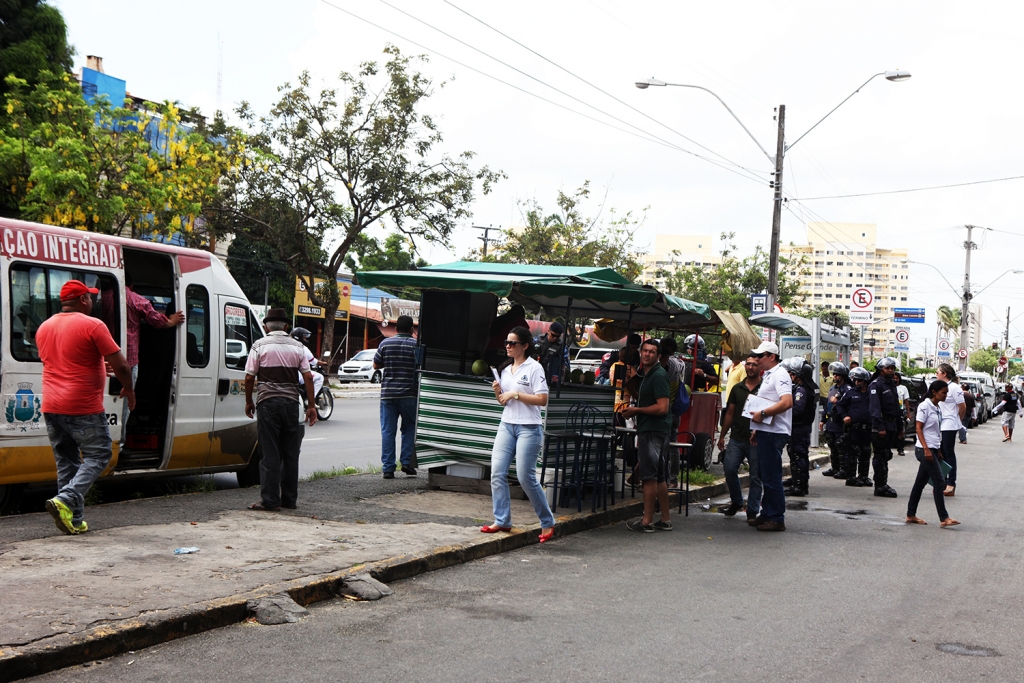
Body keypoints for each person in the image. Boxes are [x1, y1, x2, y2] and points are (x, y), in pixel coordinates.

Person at [39, 280, 136, 535]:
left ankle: (73, 518)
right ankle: (67, 498)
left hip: (51, 405)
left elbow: (66, 362)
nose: (92, 301)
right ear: (83, 300)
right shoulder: (93, 325)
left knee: (67, 463)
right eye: (90, 297)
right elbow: (123, 366)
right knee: (100, 454)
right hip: (82, 405)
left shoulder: (44, 327)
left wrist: (97, 368)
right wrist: (129, 389)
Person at [482, 326, 556, 542]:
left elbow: (542, 400)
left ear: (524, 346)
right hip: (507, 424)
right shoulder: (505, 370)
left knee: (525, 476)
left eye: (512, 343)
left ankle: (547, 521)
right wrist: (499, 392)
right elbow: (504, 402)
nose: (508, 346)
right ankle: (502, 520)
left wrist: (516, 394)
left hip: (529, 428)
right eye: (506, 342)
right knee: (497, 472)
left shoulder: (534, 368)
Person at [244, 308, 318, 511]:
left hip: (267, 404)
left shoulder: (259, 345)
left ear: (267, 327)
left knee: (270, 453)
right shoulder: (298, 347)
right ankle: (289, 500)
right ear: (286, 327)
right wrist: (311, 405)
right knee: (290, 453)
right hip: (291, 405)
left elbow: (250, 376)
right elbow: (309, 377)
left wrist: (249, 401)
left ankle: (270, 500)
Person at [120, 273, 184, 453]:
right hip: (129, 362)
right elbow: (157, 321)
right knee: (125, 405)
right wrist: (171, 321)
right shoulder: (136, 300)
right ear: (131, 285)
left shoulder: (103, 297)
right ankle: (120, 445)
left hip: (106, 361)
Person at [623, 339, 673, 532]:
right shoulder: (647, 374)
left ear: (658, 356)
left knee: (649, 477)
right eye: (644, 351)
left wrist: (637, 410)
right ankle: (665, 519)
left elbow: (662, 407)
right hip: (655, 429)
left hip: (653, 429)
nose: (647, 354)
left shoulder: (658, 375)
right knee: (659, 477)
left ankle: (647, 521)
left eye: (652, 352)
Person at [748, 341, 793, 532]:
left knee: (772, 476)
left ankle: (776, 518)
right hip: (767, 430)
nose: (757, 359)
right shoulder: (769, 375)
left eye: (761, 356)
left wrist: (764, 414)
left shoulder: (780, 374)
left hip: (775, 432)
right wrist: (759, 426)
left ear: (772, 356)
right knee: (765, 475)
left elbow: (787, 402)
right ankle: (767, 513)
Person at [906, 380, 960, 528]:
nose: (946, 395)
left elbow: (936, 431)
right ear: (934, 392)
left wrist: (939, 450)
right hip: (924, 449)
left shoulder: (937, 407)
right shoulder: (925, 406)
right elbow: (918, 428)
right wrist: (926, 449)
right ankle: (944, 518)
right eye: (944, 393)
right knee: (940, 482)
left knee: (920, 483)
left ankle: (911, 514)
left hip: (933, 449)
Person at [373, 315, 419, 479]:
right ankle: (406, 462)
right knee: (408, 429)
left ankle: (388, 469)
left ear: (396, 329)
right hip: (409, 394)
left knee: (388, 431)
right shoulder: (415, 345)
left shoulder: (385, 343)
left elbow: (376, 364)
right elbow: (420, 365)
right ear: (411, 330)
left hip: (388, 395)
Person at [718, 354, 762, 521]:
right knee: (729, 469)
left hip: (756, 440)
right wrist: (722, 435)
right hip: (737, 437)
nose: (750, 367)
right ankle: (736, 501)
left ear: (760, 368)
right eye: (748, 364)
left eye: (754, 365)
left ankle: (752, 511)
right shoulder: (737, 388)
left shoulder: (765, 388)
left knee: (755, 476)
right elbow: (730, 413)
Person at [867, 357, 902, 498]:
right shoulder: (876, 385)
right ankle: (880, 486)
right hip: (881, 426)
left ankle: (883, 483)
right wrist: (880, 427)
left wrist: (900, 428)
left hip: (891, 425)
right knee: (880, 455)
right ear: (881, 369)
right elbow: (875, 409)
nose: (891, 370)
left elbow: (896, 408)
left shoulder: (891, 384)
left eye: (892, 368)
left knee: (886, 454)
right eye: (888, 368)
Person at [784, 358, 817, 497]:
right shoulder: (807, 388)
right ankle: (800, 482)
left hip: (798, 427)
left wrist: (782, 411)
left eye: (792, 374)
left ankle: (799, 486)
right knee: (800, 454)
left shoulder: (801, 391)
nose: (791, 377)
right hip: (802, 427)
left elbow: (797, 409)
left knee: (797, 455)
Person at [838, 367, 874, 487]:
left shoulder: (871, 394)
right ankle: (851, 477)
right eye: (856, 380)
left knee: (866, 452)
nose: (857, 383)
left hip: (867, 428)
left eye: (859, 380)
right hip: (854, 428)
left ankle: (863, 476)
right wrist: (845, 416)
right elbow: (840, 406)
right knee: (852, 452)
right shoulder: (851, 392)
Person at [659, 337, 686, 489]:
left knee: (662, 446)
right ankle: (673, 479)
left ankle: (664, 479)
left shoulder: (666, 365)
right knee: (673, 445)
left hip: (665, 411)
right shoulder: (679, 363)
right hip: (676, 410)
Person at [934, 363, 965, 497]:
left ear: (944, 373)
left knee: (948, 453)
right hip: (939, 423)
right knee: (939, 453)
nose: (936, 374)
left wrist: (957, 420)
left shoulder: (954, 388)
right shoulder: (939, 387)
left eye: (938, 372)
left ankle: (951, 482)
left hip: (949, 424)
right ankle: (942, 481)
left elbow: (962, 406)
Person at [821, 362, 851, 478]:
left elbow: (848, 405)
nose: (835, 377)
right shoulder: (833, 388)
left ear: (842, 376)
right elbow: (827, 405)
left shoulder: (847, 389)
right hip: (831, 421)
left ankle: (843, 469)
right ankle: (835, 468)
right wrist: (823, 419)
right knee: (832, 445)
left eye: (837, 375)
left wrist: (837, 402)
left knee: (841, 446)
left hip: (840, 422)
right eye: (834, 375)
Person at [290, 327, 324, 399]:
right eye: (304, 338)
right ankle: (310, 399)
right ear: (299, 337)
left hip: (287, 373)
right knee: (320, 377)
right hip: (297, 375)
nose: (306, 340)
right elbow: (313, 361)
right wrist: (323, 363)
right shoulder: (302, 347)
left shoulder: (287, 346)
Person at [894, 372, 910, 456]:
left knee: (901, 430)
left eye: (897, 378)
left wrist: (908, 413)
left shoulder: (903, 388)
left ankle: (900, 449)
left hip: (900, 411)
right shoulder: (889, 387)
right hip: (891, 411)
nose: (895, 379)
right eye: (894, 378)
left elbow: (906, 401)